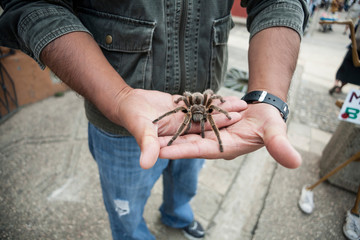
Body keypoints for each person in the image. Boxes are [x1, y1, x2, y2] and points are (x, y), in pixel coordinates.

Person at [0, 1, 309, 239]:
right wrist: (120, 98)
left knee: (186, 180)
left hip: (202, 116)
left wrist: (265, 98)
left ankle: (178, 215)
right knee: (126, 205)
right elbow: (36, 6)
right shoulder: (187, 105)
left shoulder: (201, 107)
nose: (193, 106)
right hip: (121, 125)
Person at [329, 19, 360, 95]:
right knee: (356, 74)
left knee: (344, 69)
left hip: (354, 49)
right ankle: (341, 88)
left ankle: (336, 84)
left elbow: (352, 34)